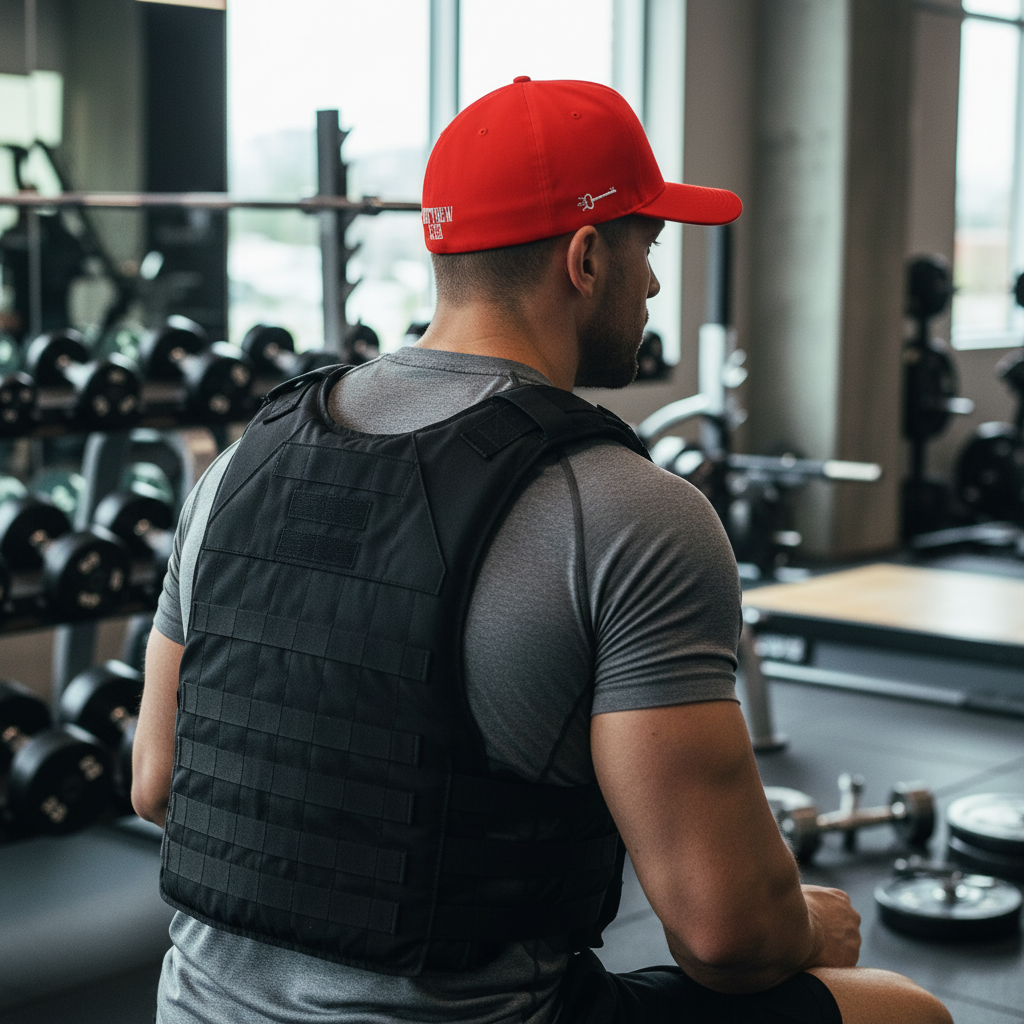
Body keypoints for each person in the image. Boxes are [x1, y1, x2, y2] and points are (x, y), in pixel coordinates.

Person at [133, 77, 951, 1024]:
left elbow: (158, 784)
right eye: (648, 247)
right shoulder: (630, 511)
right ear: (587, 257)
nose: (652, 281)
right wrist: (806, 927)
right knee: (905, 1010)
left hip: (194, 1011)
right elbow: (727, 937)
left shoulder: (239, 463)